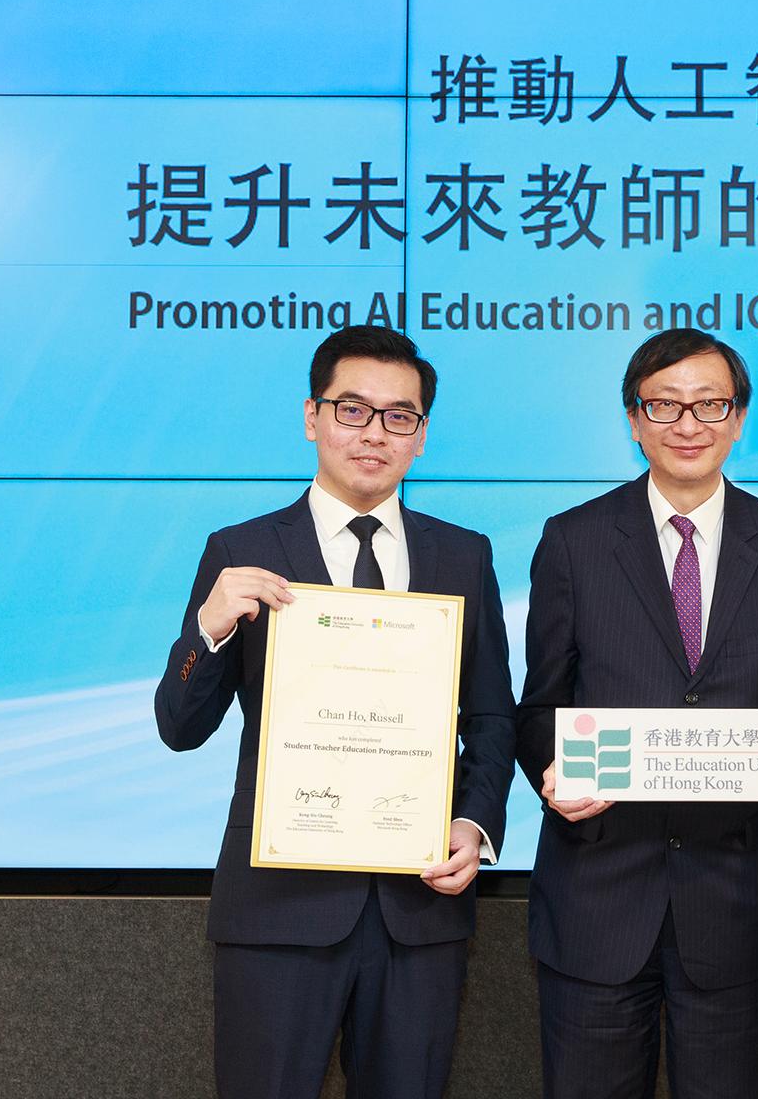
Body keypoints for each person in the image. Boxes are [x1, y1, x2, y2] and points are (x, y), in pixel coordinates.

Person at [153, 325, 517, 1099]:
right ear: (312, 417)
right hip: (278, 909)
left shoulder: (464, 555)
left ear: (421, 435)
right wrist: (208, 630)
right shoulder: (241, 549)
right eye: (353, 410)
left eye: (399, 416)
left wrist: (474, 821)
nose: (374, 433)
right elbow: (180, 728)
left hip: (418, 909)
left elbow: (491, 717)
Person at [515, 328, 758, 1099]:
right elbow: (539, 705)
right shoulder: (573, 541)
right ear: (634, 420)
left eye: (709, 404)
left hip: (733, 902)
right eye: (664, 405)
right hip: (596, 897)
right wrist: (550, 771)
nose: (688, 424)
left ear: (739, 418)